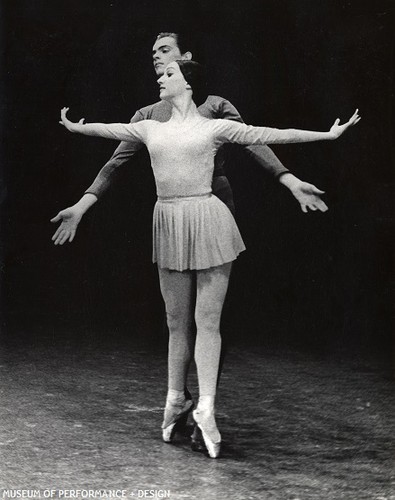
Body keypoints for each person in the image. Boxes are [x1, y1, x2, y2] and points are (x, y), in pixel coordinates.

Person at [58, 59, 360, 458]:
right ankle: (173, 398)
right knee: (175, 320)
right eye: (160, 73)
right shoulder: (149, 126)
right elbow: (109, 137)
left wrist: (327, 135)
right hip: (168, 219)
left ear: (188, 82)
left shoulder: (214, 125)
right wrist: (77, 127)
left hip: (209, 218)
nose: (160, 78)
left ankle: (206, 407)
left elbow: (268, 135)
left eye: (168, 73)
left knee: (208, 321)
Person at [51, 32, 329, 247]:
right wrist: (80, 206)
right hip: (172, 207)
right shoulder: (147, 116)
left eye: (165, 50)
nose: (156, 57)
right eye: (153, 53)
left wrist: (290, 181)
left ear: (186, 58)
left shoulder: (216, 105)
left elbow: (253, 141)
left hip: (215, 198)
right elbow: (115, 164)